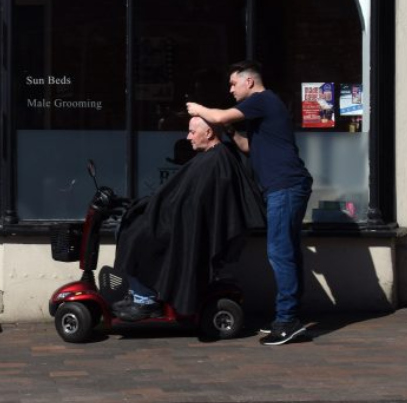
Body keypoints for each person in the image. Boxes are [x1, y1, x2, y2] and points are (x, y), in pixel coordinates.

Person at [186, 60, 314, 346]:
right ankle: (290, 317)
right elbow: (248, 147)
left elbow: (217, 117)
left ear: (249, 82)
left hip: (285, 187)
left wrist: (198, 109)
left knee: (279, 253)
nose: (231, 89)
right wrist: (232, 131)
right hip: (285, 187)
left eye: (233, 83)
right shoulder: (263, 111)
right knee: (288, 252)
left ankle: (287, 320)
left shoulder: (262, 100)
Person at [112, 116, 265, 323]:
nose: (188, 137)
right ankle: (140, 293)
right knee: (131, 226)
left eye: (192, 132)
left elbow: (195, 204)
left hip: (184, 227)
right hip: (179, 221)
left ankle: (146, 300)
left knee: (135, 237)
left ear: (209, 133)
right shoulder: (213, 157)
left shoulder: (215, 161)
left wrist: (159, 208)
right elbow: (184, 198)